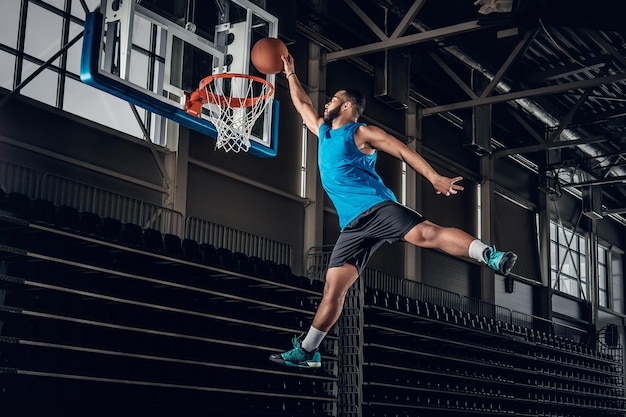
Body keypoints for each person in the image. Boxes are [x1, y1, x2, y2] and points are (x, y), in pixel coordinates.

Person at [269, 54, 517, 369]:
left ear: (347, 106)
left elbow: (399, 149)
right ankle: (308, 350)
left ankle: (490, 256)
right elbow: (302, 104)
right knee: (334, 289)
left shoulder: (359, 132)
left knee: (427, 234)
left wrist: (434, 177)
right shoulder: (324, 132)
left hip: (376, 208)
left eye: (333, 99)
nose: (326, 104)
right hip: (352, 227)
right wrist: (290, 73)